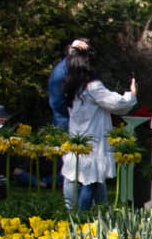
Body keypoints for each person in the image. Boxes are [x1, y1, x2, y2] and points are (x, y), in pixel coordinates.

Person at [58, 49, 137, 210]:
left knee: (78, 177)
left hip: (78, 138)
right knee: (91, 181)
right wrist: (132, 94)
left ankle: (94, 211)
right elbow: (118, 104)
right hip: (94, 141)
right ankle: (82, 215)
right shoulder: (93, 87)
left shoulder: (71, 87)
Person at [48, 37, 90, 127]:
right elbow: (57, 103)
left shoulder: (85, 68)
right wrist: (77, 114)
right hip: (65, 124)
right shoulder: (59, 73)